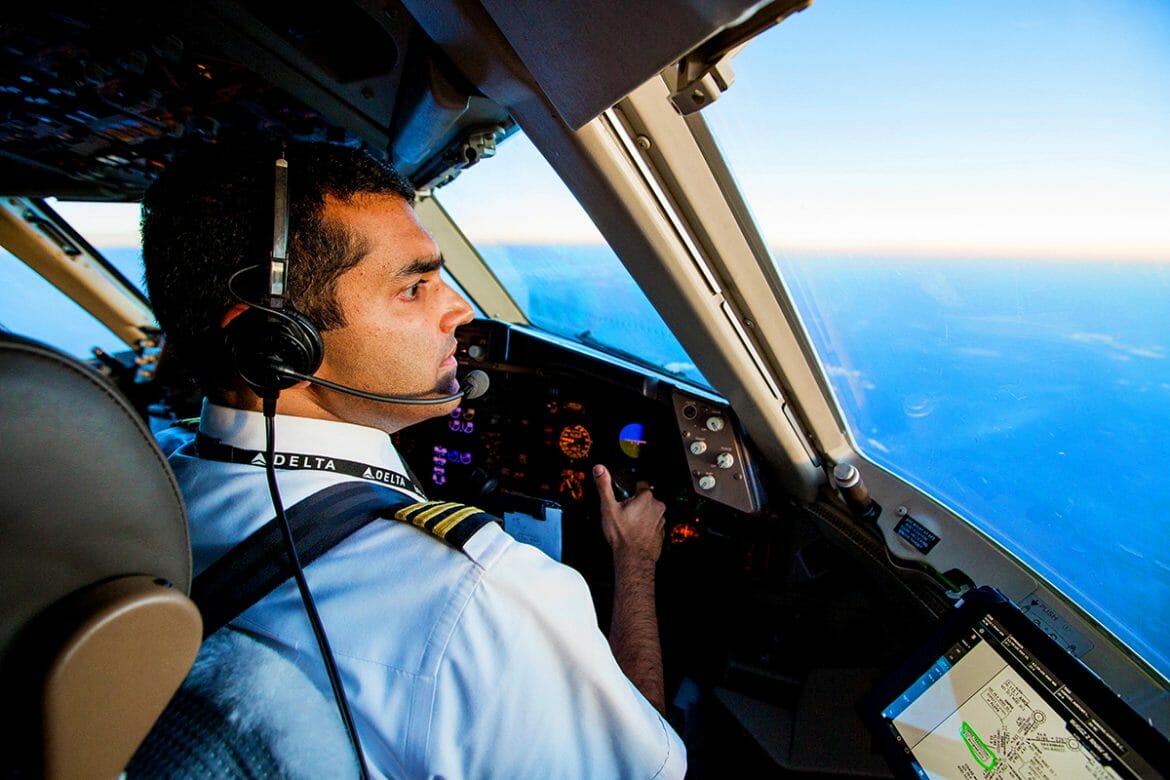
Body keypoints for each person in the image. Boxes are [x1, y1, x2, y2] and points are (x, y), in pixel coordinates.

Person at [143, 139, 686, 779]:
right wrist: (635, 561)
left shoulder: (149, 491)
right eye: (414, 287)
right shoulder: (478, 600)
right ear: (274, 343)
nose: (460, 310)